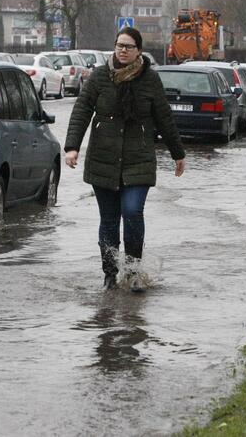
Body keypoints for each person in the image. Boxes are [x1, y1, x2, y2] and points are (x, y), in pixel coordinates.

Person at [64, 27, 186, 292]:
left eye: (128, 46)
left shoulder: (150, 79)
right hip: (103, 158)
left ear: (138, 51)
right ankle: (110, 274)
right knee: (108, 220)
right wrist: (72, 147)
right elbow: (82, 109)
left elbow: (164, 117)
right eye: (119, 45)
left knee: (132, 212)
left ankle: (133, 272)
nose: (122, 50)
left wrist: (178, 153)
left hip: (138, 158)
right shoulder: (100, 76)